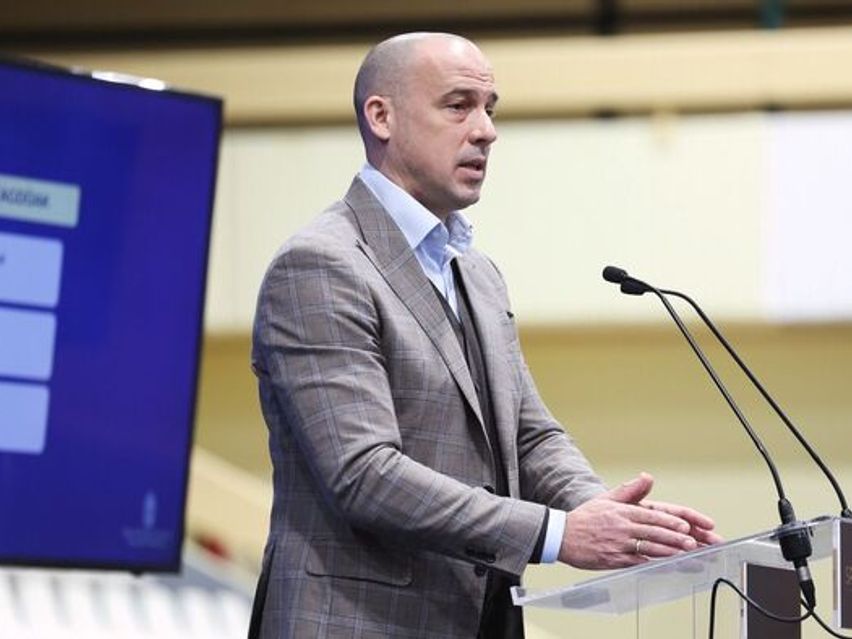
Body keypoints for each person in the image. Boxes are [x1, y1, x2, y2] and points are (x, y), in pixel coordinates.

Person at [248, 32, 722, 639]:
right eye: (458, 106)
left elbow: (527, 434)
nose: (486, 131)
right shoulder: (321, 265)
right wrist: (557, 534)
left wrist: (602, 512)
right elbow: (364, 474)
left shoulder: (476, 272)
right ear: (382, 116)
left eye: (490, 108)